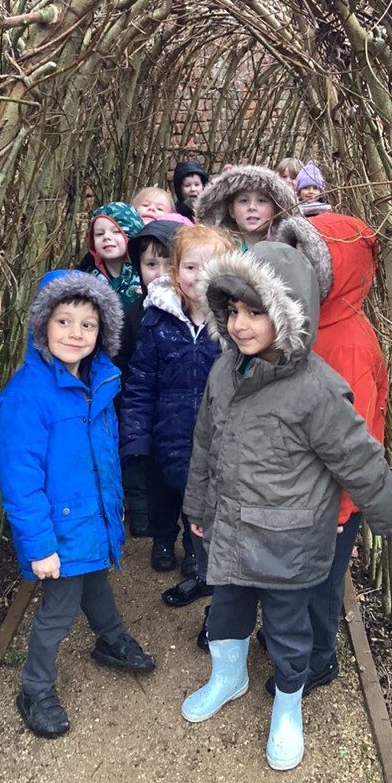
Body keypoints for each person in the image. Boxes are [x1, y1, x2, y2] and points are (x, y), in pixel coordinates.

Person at [181, 243, 392, 771]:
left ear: (289, 312)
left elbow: (359, 459)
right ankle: (228, 675)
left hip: (288, 540)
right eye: (233, 311)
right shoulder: (224, 371)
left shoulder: (317, 389)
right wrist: (198, 507)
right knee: (225, 610)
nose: (240, 325)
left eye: (256, 312)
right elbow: (205, 443)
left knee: (288, 627)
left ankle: (288, 705)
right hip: (231, 528)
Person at [0, 270, 155, 739]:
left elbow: (103, 457)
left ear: (101, 332)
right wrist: (41, 546)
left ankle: (111, 639)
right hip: (59, 531)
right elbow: (20, 482)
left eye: (88, 325)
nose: (75, 334)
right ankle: (35, 688)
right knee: (58, 613)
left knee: (97, 583)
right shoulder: (26, 396)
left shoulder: (99, 382)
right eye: (64, 321)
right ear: (43, 324)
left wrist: (112, 508)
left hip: (91, 519)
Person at [272, 211, 388, 694]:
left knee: (319, 584)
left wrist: (338, 511)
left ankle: (318, 659)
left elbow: (353, 441)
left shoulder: (347, 344)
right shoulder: (312, 324)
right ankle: (290, 640)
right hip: (302, 488)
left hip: (330, 501)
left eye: (307, 260)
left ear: (335, 271)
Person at [120, 224, 233, 584]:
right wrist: (136, 434)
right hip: (165, 424)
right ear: (176, 271)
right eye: (190, 267)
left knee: (200, 489)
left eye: (209, 267)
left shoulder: (230, 323)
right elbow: (140, 380)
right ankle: (163, 539)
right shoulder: (157, 319)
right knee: (162, 492)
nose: (198, 276)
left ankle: (194, 546)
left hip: (210, 428)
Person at [113, 216, 191, 539]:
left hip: (187, 413)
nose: (159, 273)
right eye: (150, 265)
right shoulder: (134, 313)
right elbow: (122, 363)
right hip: (149, 412)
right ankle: (161, 537)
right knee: (154, 479)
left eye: (168, 264)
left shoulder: (196, 310)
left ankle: (192, 542)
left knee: (191, 483)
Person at [196, 164, 299, 249]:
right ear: (231, 210)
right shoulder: (214, 249)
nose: (252, 207)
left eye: (261, 201)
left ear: (275, 209)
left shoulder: (289, 250)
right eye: (244, 201)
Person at [78, 201, 144, 306]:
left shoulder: (145, 273)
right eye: (99, 234)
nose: (106, 237)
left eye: (116, 232)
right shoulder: (86, 278)